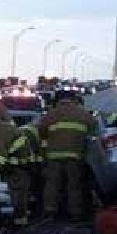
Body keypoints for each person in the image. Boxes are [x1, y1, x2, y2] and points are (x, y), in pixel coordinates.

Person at [39, 89, 96, 221]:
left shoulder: (51, 114)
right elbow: (94, 129)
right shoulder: (83, 113)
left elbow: (41, 131)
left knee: (52, 184)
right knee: (74, 185)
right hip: (75, 156)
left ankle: (50, 212)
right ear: (74, 99)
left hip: (53, 156)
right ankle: (75, 213)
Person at [0, 104, 33, 226]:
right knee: (17, 196)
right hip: (15, 168)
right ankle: (18, 223)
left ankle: (17, 226)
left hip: (18, 169)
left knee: (16, 196)